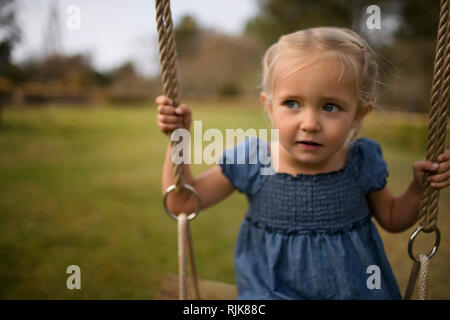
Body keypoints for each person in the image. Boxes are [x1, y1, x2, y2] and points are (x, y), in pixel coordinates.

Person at [156, 27, 450, 299]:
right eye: (292, 103)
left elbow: (394, 218)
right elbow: (181, 203)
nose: (310, 124)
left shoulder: (359, 162)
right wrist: (178, 138)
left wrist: (417, 189)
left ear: (360, 113)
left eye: (330, 107)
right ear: (269, 107)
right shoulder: (253, 160)